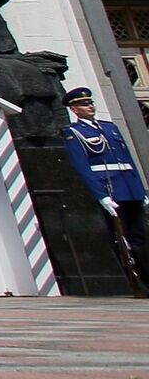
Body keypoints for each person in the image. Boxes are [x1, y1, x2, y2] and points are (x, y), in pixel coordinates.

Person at [64, 87, 148, 288]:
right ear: (74, 109)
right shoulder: (74, 133)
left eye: (90, 103)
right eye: (84, 105)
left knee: (141, 236)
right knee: (119, 238)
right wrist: (101, 195)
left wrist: (140, 188)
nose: (90, 107)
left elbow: (127, 158)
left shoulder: (110, 128)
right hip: (110, 190)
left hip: (129, 187)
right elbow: (83, 168)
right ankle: (134, 280)